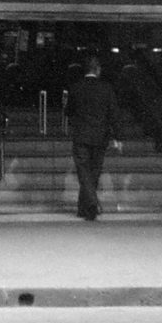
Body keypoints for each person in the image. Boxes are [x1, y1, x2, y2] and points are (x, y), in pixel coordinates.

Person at [64, 55, 122, 222]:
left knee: (83, 171)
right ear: (97, 70)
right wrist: (118, 136)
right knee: (94, 172)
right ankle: (89, 206)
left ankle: (87, 206)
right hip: (100, 136)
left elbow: (68, 112)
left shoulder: (76, 88)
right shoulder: (106, 88)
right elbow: (114, 113)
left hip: (81, 135)